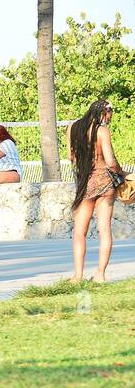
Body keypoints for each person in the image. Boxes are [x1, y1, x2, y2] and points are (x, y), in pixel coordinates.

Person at [69, 99, 124, 283]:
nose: (110, 117)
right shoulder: (102, 131)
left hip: (85, 183)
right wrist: (122, 173)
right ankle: (100, 275)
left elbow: (72, 157)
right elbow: (110, 162)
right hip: (104, 184)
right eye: (110, 113)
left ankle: (77, 276)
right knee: (104, 230)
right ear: (104, 112)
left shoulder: (73, 129)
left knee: (79, 232)